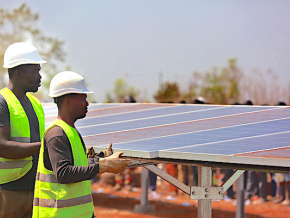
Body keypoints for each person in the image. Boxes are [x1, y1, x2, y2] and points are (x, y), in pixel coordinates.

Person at [32, 71, 132, 218]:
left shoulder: (70, 131)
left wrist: (101, 158)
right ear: (67, 101)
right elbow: (63, 173)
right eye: (83, 98)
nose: (87, 103)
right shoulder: (57, 134)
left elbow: (78, 165)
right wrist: (104, 165)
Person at [0, 42, 46, 218]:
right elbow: (2, 146)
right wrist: (44, 146)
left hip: (35, 188)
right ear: (18, 73)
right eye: (35, 71)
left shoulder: (35, 104)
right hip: (9, 191)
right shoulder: (2, 102)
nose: (40, 77)